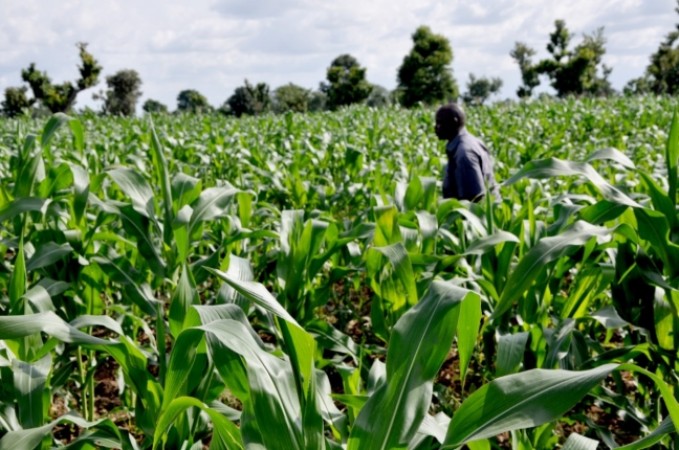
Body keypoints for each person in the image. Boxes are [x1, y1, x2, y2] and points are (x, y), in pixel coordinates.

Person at [435, 103, 498, 201]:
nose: (436, 127)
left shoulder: (464, 154)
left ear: (453, 122)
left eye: (440, 123)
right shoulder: (473, 141)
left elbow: (474, 199)